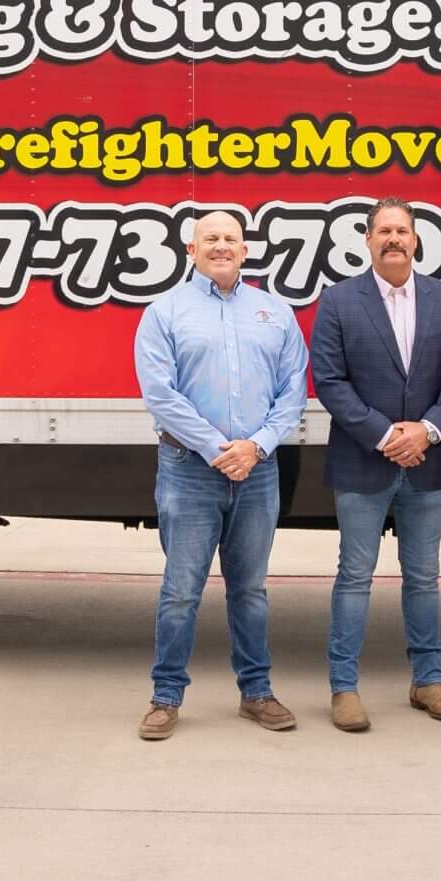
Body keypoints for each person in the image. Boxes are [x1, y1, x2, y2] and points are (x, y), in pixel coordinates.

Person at [132, 210, 310, 740]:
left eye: (231, 238)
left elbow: (293, 391)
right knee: (181, 590)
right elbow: (160, 395)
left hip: (257, 471)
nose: (221, 245)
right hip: (189, 469)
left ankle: (256, 693)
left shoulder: (274, 313)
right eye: (210, 237)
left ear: (246, 250)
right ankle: (166, 697)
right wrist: (217, 449)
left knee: (250, 589)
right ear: (191, 249)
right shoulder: (164, 312)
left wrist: (254, 447)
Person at [308, 197, 441, 732]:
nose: (393, 239)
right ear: (367, 239)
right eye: (383, 231)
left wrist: (425, 431)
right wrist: (385, 435)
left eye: (402, 230)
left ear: (417, 238)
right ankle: (344, 688)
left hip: (427, 460)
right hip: (364, 462)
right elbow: (330, 382)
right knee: (354, 576)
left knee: (424, 578)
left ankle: (428, 680)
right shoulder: (338, 301)